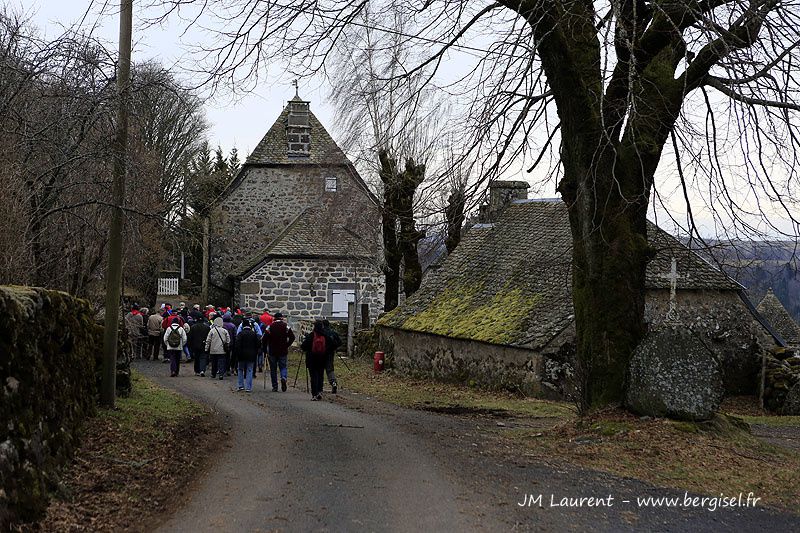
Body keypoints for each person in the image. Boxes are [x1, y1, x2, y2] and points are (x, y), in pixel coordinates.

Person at [263, 312, 295, 392]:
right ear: (281, 318)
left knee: (273, 369)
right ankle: (283, 377)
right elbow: (292, 337)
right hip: (283, 350)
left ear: (274, 318)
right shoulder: (286, 326)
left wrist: (265, 349)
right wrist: (287, 345)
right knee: (283, 366)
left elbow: (264, 339)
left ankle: (275, 386)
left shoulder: (270, 327)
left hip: (272, 351)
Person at [301, 320, 331, 400]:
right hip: (322, 358)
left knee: (313, 376)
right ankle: (320, 391)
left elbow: (303, 346)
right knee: (320, 375)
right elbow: (332, 344)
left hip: (312, 359)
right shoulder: (325, 335)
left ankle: (314, 394)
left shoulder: (311, 336)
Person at [234, 319, 260, 392]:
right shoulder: (253, 334)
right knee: (249, 370)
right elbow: (258, 344)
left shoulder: (240, 334)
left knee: (240, 369)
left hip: (241, 355)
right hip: (251, 354)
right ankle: (248, 387)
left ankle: (240, 385)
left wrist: (237, 354)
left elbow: (237, 345)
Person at [322, 319, 343, 393]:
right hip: (330, 353)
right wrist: (334, 348)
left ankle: (319, 385)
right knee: (330, 369)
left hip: (320, 353)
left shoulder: (321, 333)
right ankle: (333, 382)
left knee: (319, 369)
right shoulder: (333, 333)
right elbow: (340, 342)